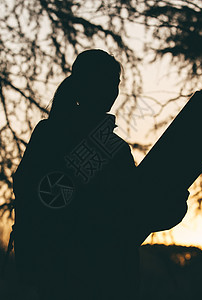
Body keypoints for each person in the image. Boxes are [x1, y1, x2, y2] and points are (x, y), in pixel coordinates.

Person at [12, 49, 189, 300]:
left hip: (73, 276)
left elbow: (135, 214)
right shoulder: (65, 138)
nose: (111, 90)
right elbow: (129, 216)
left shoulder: (57, 135)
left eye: (114, 83)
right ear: (82, 84)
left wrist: (170, 197)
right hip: (92, 277)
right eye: (104, 80)